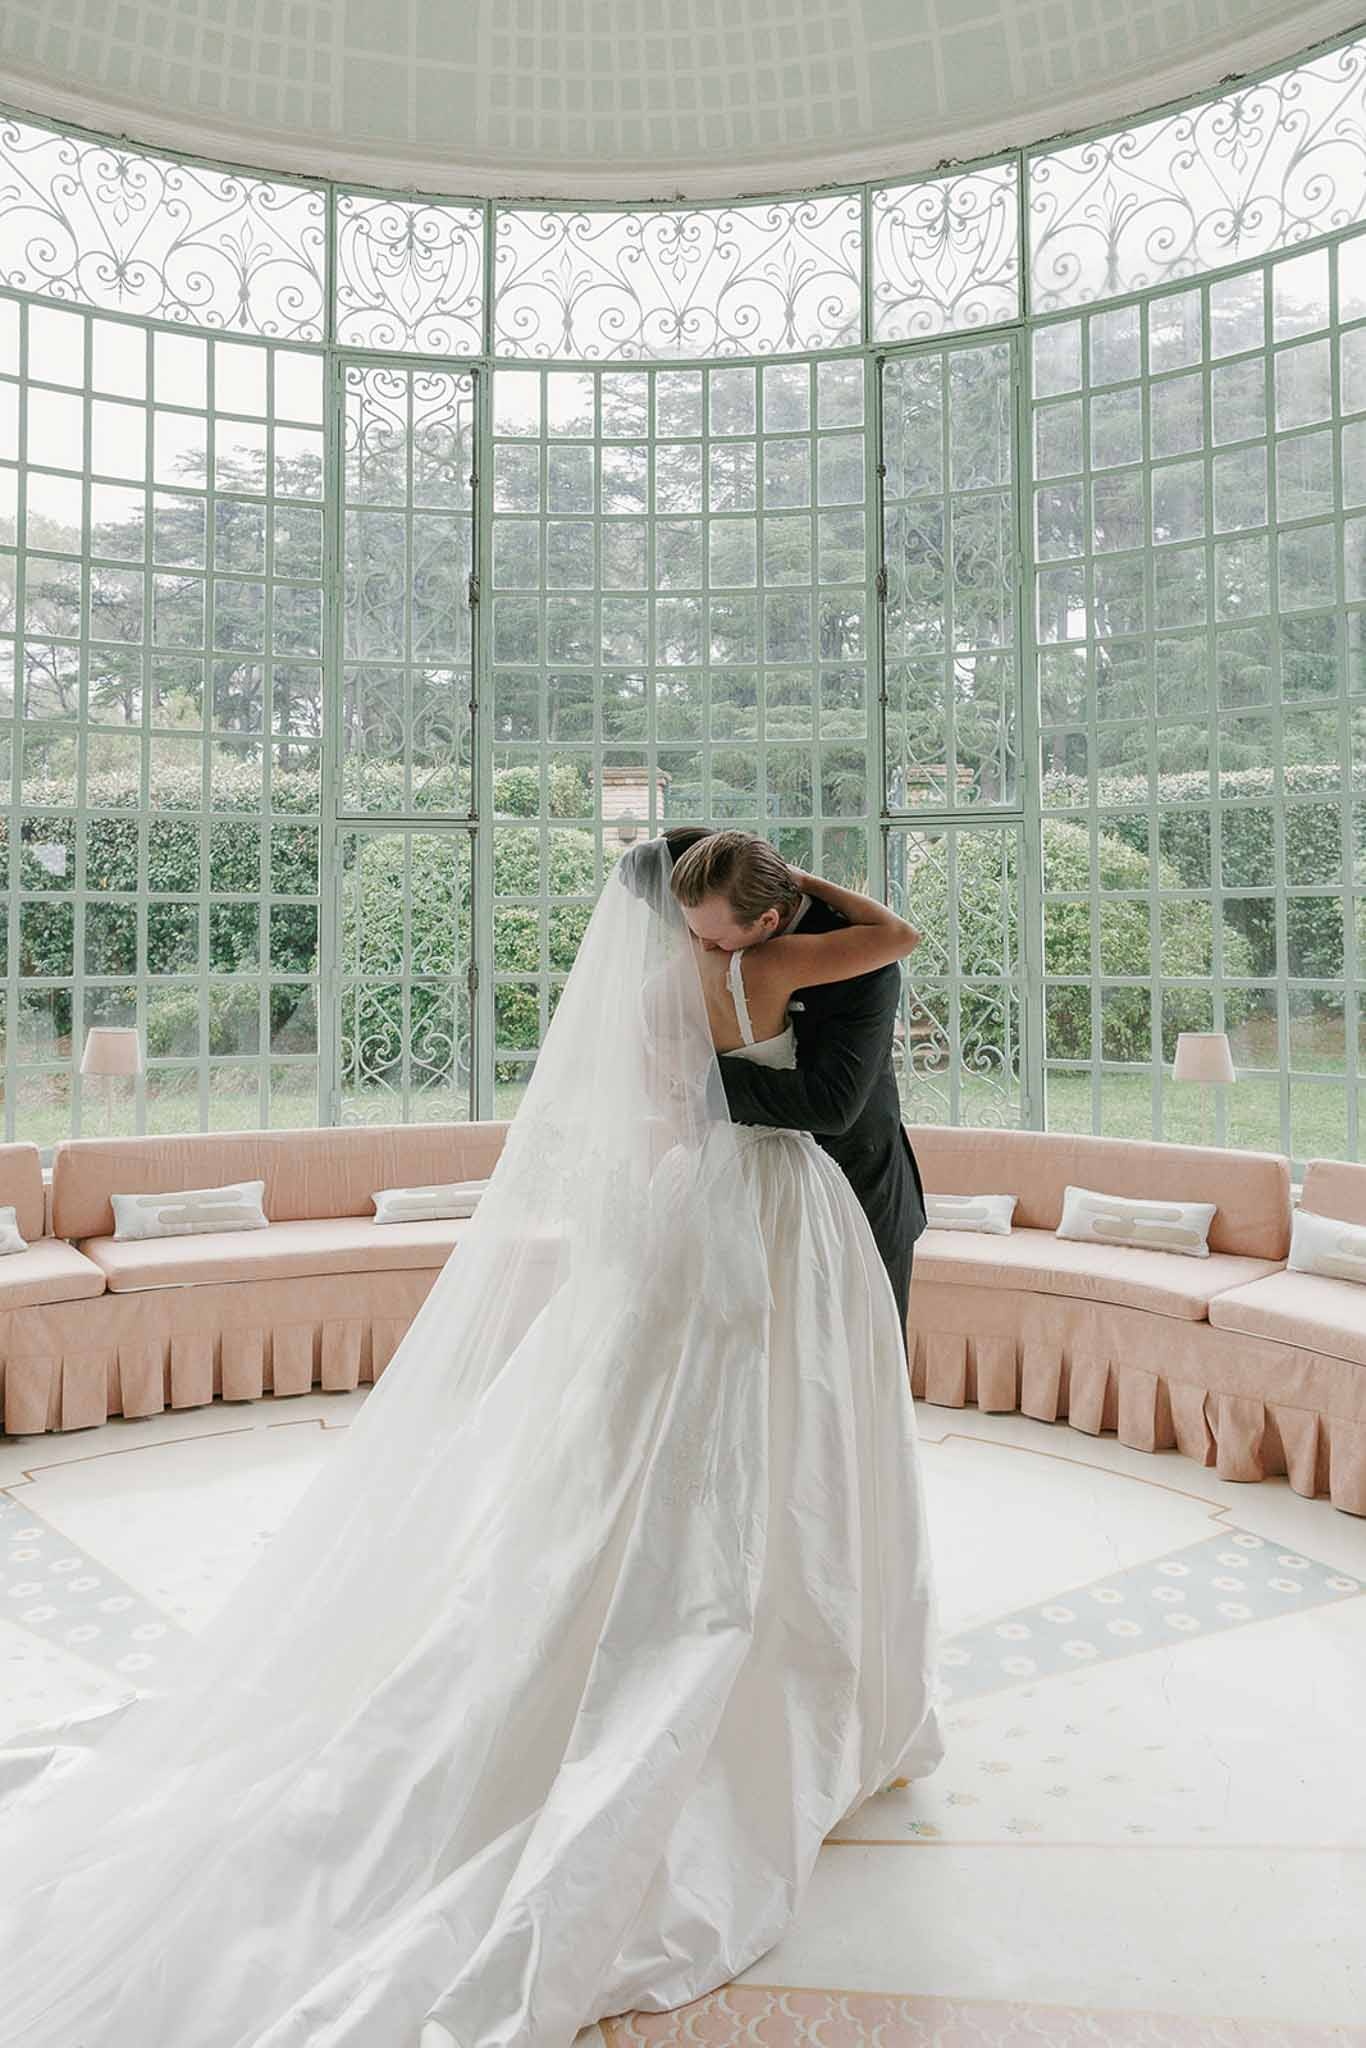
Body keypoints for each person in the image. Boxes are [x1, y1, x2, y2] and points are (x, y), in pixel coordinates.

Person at [0, 835, 944, 2048]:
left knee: (682, 1411)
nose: (701, 944)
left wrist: (653, 1231)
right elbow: (894, 939)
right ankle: (754, 1625)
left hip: (698, 1197)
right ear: (765, 917)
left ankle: (673, 1575)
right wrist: (799, 893)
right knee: (780, 1416)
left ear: (727, 917)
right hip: (786, 1202)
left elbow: (657, 1121)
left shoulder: (666, 984)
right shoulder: (797, 962)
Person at [657, 824, 929, 1340]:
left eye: (711, 937)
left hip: (858, 1176)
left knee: (863, 1363)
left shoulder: (862, 960)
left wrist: (705, 1081)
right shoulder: (721, 929)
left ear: (767, 919)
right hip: (748, 1185)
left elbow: (833, 1105)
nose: (700, 946)